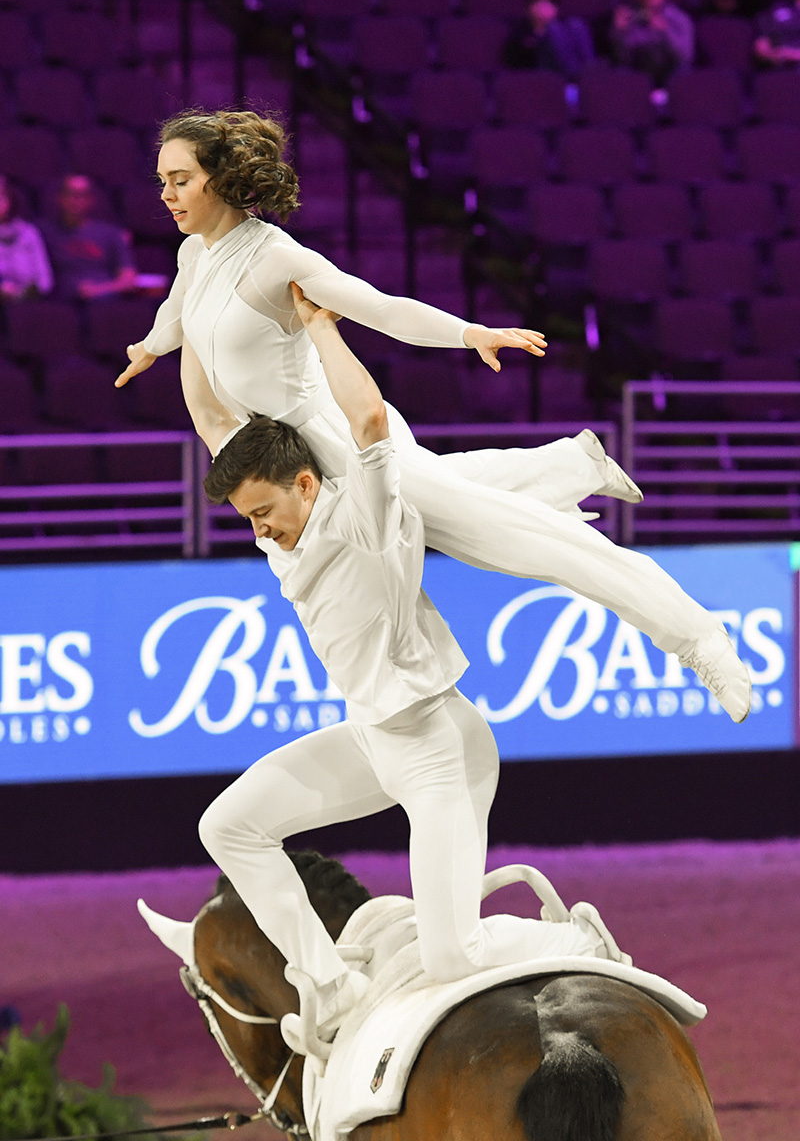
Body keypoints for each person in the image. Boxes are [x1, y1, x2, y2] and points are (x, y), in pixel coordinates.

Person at [114, 108, 751, 725]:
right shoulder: (194, 255)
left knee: (522, 542)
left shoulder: (274, 259)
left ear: (220, 180)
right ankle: (569, 464)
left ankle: (700, 640)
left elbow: (381, 308)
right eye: (162, 181)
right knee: (462, 504)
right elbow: (180, 309)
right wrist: (148, 346)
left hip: (347, 439)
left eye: (180, 180)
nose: (166, 195)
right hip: (295, 460)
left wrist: (471, 332)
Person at [188, 283, 631, 1055]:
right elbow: (212, 419)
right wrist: (190, 314)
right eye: (248, 520)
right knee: (228, 825)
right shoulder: (281, 529)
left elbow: (365, 422)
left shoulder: (369, 511)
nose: (258, 531)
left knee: (452, 955)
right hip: (371, 740)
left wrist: (323, 329)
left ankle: (581, 944)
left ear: (304, 483)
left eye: (263, 513)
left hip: (438, 747)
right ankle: (329, 985)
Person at [41, 174, 137, 300]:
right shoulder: (44, 232)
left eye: (82, 195)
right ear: (60, 198)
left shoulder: (111, 234)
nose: (76, 200)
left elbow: (128, 280)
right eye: (71, 194)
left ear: (91, 200)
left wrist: (97, 290)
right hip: (60, 304)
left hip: (105, 304)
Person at [610, 0, 695, 84]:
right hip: (641, 78)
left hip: (671, 76)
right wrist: (618, 33)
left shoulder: (679, 19)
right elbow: (622, 60)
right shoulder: (630, 17)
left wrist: (665, 33)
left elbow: (686, 59)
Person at [502, 0, 595, 80]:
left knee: (575, 24)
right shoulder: (520, 31)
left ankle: (586, 77)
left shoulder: (570, 27)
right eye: (539, 4)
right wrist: (539, 32)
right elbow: (515, 59)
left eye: (549, 4)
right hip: (539, 75)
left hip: (570, 71)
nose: (545, 8)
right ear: (529, 9)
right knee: (554, 29)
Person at [0, 175, 53, 299]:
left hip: (29, 300)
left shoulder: (28, 232)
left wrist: (26, 292)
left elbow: (45, 279)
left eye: (1, 195)